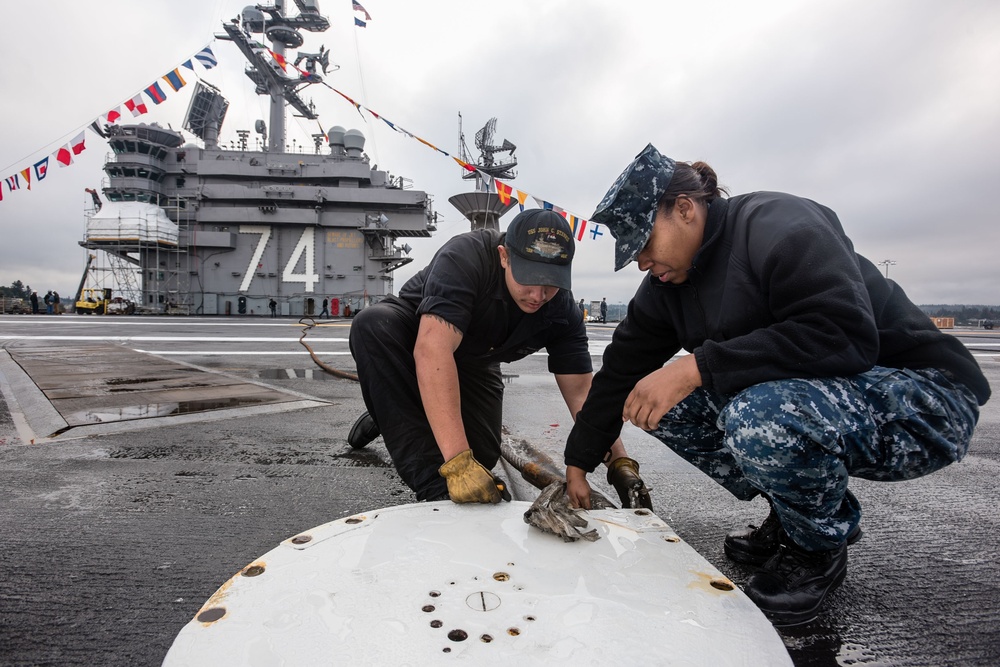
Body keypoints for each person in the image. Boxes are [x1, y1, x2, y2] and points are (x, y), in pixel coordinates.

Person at [563, 144, 990, 626]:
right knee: (652, 398)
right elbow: (619, 375)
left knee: (760, 414)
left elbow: (844, 335)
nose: (642, 262)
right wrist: (577, 465)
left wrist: (695, 367)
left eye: (644, 243)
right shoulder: (667, 286)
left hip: (927, 395)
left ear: (684, 209)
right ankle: (795, 517)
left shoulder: (777, 225)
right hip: (830, 396)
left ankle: (816, 550)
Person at [348, 209, 651, 507]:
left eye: (549, 283)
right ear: (504, 256)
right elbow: (432, 351)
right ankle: (432, 485)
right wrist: (456, 466)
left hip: (475, 361)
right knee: (373, 324)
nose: (537, 295)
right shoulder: (465, 257)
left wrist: (619, 462)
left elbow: (583, 395)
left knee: (482, 454)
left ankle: (389, 406)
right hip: (415, 339)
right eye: (529, 279)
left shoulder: (562, 313)